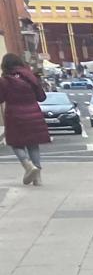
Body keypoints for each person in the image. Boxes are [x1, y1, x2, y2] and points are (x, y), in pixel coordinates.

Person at [0, 53, 49, 186]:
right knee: (33, 144)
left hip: (14, 114)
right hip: (34, 114)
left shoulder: (4, 80)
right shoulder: (30, 76)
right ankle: (37, 177)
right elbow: (41, 97)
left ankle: (28, 165)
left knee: (15, 143)